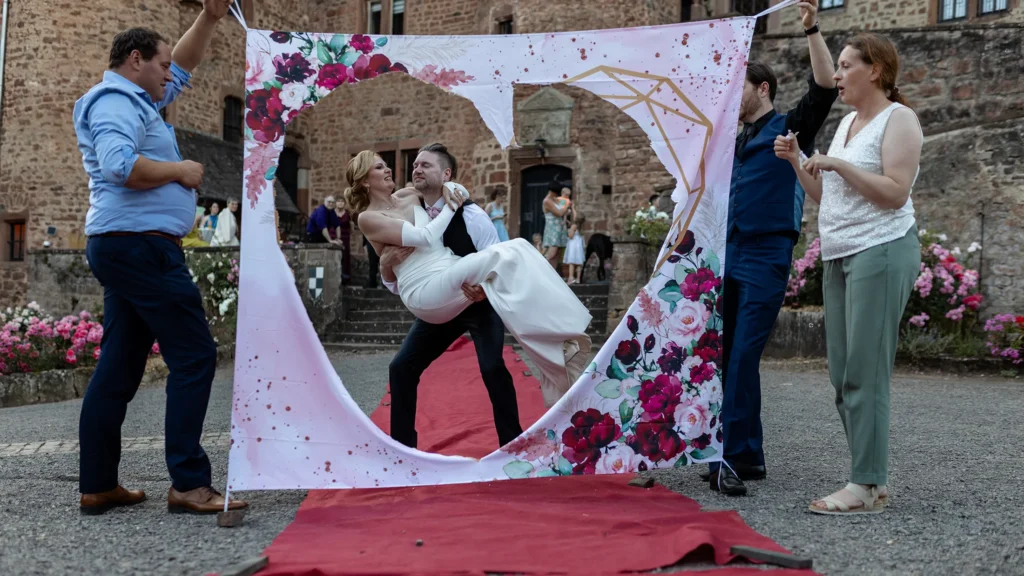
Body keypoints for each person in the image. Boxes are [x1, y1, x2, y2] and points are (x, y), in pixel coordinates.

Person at [73, 0, 247, 516]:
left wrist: (212, 17)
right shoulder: (114, 102)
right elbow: (119, 167)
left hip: (128, 245)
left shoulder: (140, 98)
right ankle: (190, 483)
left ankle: (99, 485)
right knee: (194, 354)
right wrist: (180, 172)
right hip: (139, 246)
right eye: (161, 63)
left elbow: (187, 65)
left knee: (119, 368)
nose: (171, 72)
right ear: (134, 59)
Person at [775, 33, 921, 515]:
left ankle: (866, 484)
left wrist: (836, 162)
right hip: (839, 254)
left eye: (844, 66)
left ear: (874, 70)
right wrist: (799, 160)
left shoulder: (900, 120)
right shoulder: (846, 125)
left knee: (865, 372)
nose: (835, 75)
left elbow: (895, 193)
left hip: (881, 250)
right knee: (842, 375)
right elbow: (827, 196)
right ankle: (869, 480)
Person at [363, 144, 591, 448]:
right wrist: (385, 264)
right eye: (414, 164)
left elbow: (495, 258)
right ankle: (403, 449)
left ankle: (511, 444)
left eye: (425, 166)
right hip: (438, 299)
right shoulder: (407, 206)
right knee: (401, 367)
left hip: (478, 302)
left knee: (492, 367)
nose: (416, 169)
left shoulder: (472, 214)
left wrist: (483, 290)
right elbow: (395, 283)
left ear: (445, 174)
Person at [707, 0, 838, 496]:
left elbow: (824, 87)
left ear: (762, 88)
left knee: (742, 357)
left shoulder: (790, 127)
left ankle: (728, 458)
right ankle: (748, 455)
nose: (731, 97)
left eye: (738, 88)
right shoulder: (733, 139)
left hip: (766, 255)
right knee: (727, 356)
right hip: (732, 252)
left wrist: (812, 28)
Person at [541, 182, 570, 269]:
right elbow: (559, 213)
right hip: (552, 228)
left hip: (559, 228)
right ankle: (542, 269)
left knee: (557, 253)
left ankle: (553, 273)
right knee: (552, 252)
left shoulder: (554, 199)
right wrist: (567, 205)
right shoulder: (547, 201)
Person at [563, 214, 585, 285]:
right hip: (579, 246)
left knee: (571, 262)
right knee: (579, 263)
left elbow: (571, 236)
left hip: (573, 245)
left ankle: (571, 277)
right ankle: (578, 279)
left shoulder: (574, 226)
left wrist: (568, 230)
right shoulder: (581, 227)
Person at [334, 197, 353, 284]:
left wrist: (348, 233)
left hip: (345, 237)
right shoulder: (332, 213)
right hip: (335, 237)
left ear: (344, 204)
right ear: (336, 203)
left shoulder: (347, 214)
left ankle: (346, 277)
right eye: (338, 201)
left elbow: (351, 226)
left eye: (342, 202)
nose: (340, 203)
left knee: (345, 257)